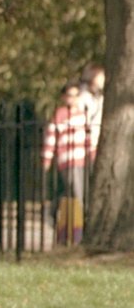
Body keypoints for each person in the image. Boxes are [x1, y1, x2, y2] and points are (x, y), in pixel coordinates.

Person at [45, 60, 105, 247]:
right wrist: (47, 157)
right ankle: (78, 227)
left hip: (83, 157)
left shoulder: (83, 112)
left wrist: (91, 152)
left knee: (73, 191)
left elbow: (88, 134)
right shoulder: (62, 114)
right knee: (77, 193)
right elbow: (51, 136)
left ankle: (62, 222)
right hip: (68, 159)